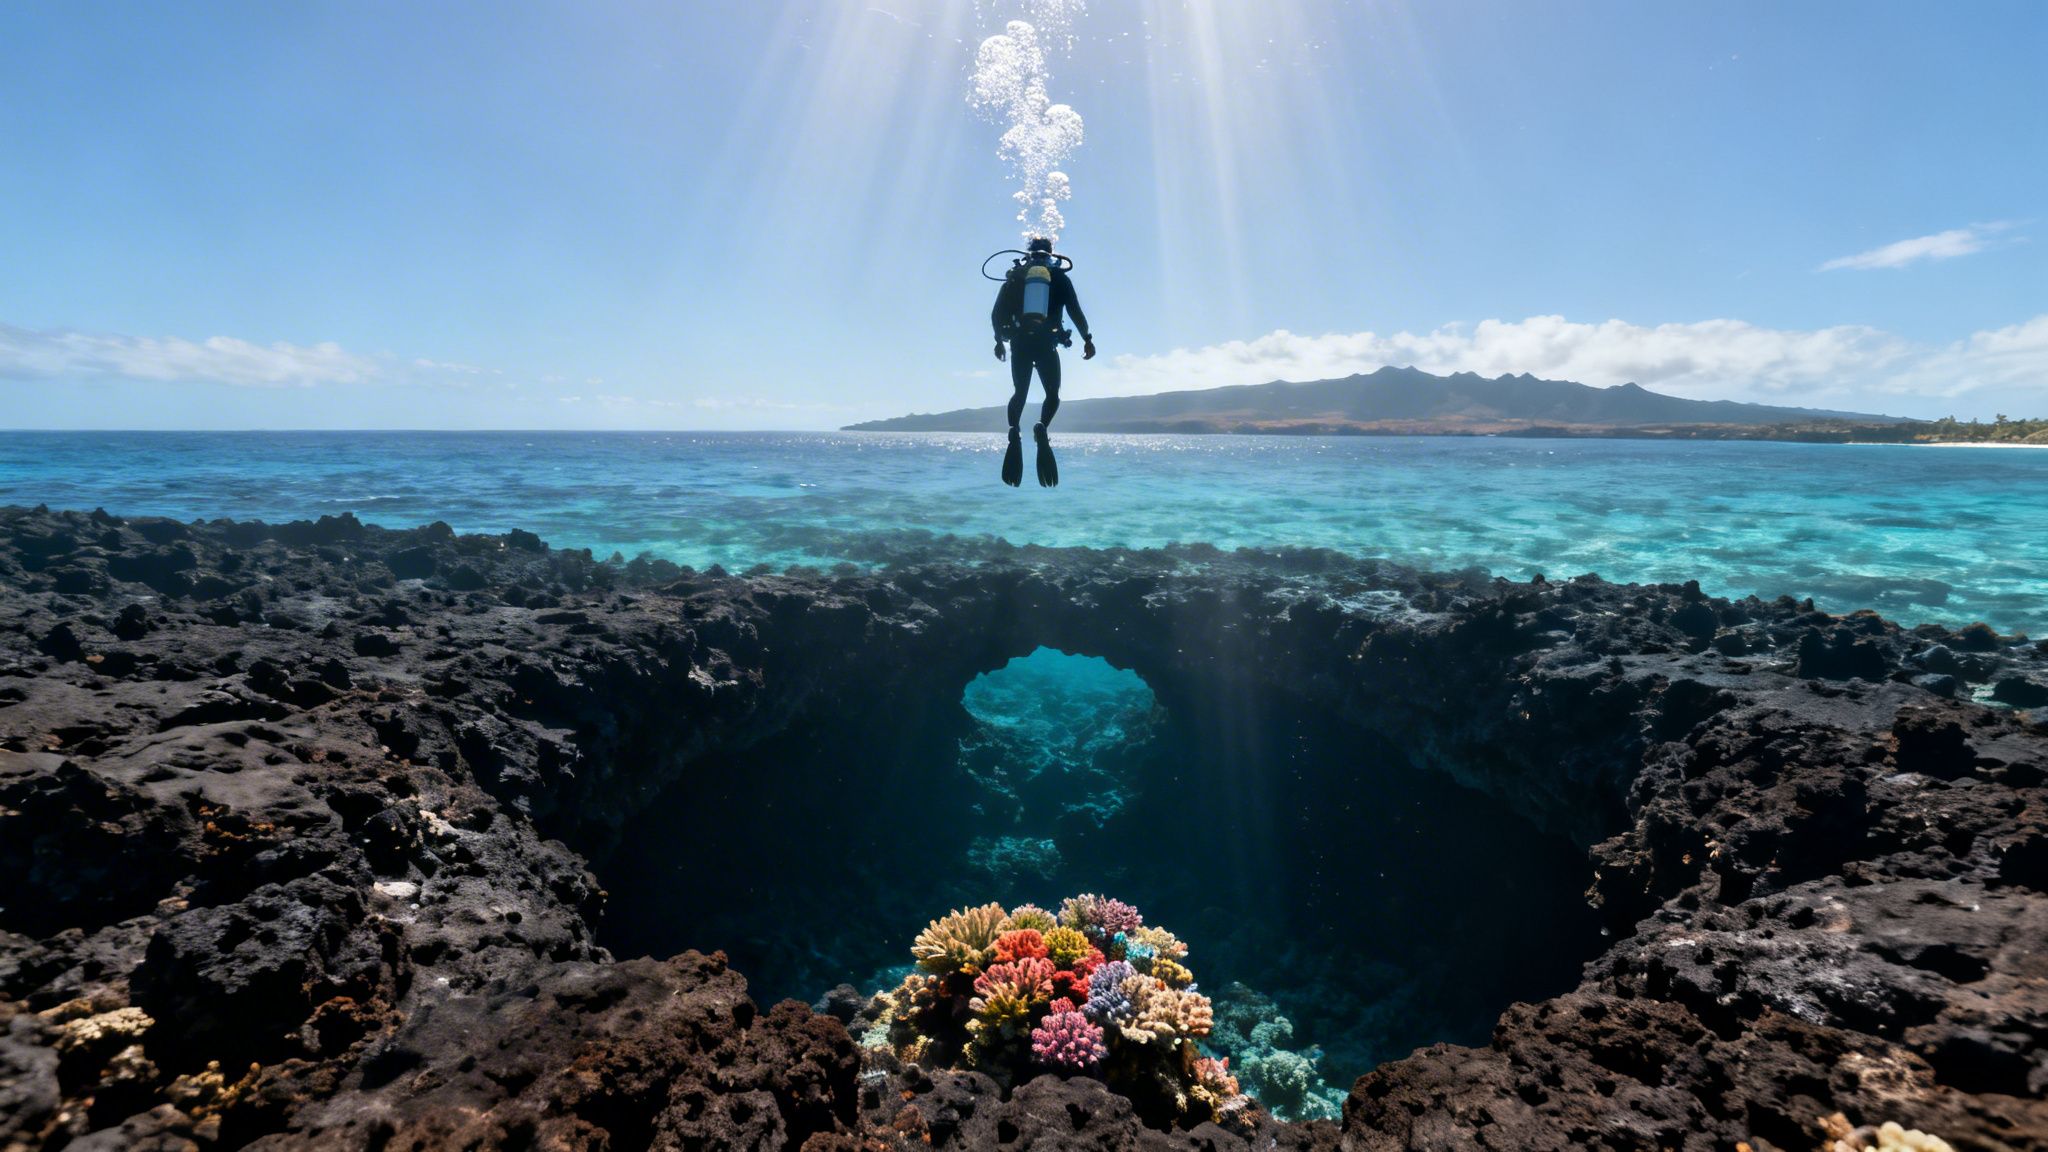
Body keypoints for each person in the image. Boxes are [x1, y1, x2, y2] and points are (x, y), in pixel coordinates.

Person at [991, 236, 1093, 487]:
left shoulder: (1016, 277)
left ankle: (1014, 431)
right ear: (1051, 253)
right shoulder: (1059, 277)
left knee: (1020, 393)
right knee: (1052, 395)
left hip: (1020, 343)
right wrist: (1087, 339)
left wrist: (998, 342)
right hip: (1047, 344)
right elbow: (1075, 311)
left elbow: (995, 314)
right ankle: (1042, 427)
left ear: (1028, 253)